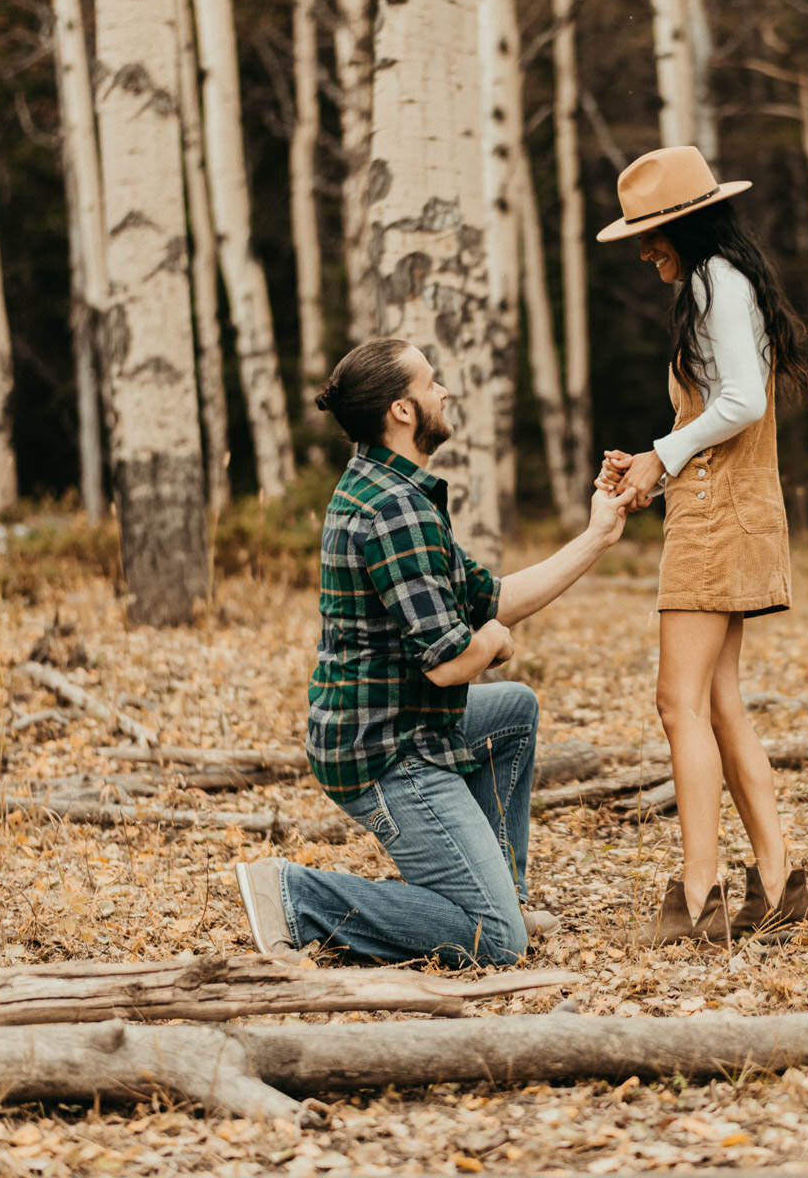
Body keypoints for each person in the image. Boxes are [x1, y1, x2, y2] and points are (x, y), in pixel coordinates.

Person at [235, 336, 631, 966]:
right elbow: (450, 665)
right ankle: (295, 894)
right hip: (386, 749)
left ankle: (501, 890)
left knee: (513, 714)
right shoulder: (395, 510)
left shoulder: (390, 488)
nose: (443, 390)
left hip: (390, 723)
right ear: (402, 409)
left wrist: (597, 536)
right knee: (497, 942)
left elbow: (492, 596)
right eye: (430, 381)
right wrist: (494, 643)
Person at [595, 145, 808, 945]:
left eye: (652, 234)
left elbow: (737, 404)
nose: (646, 248)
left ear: (687, 226)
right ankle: (776, 881)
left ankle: (698, 900)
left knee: (677, 702)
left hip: (716, 515)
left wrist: (664, 453)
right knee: (720, 702)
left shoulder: (711, 283)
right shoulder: (726, 281)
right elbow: (725, 409)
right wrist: (656, 461)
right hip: (730, 504)